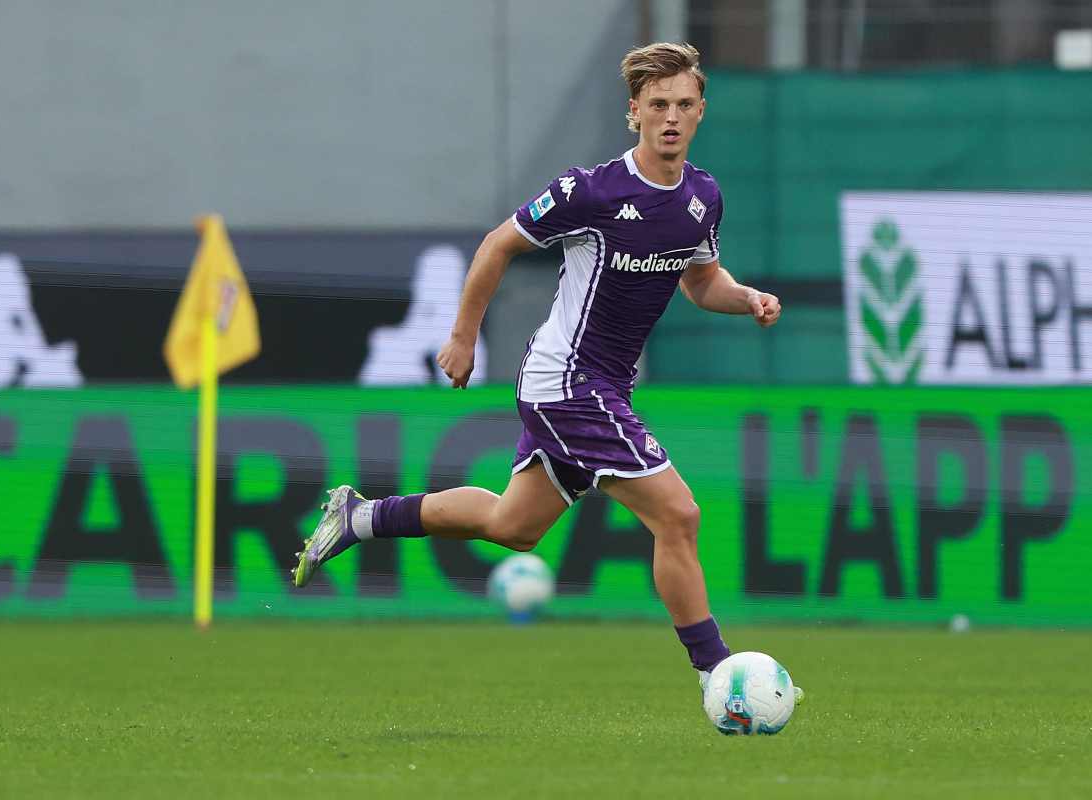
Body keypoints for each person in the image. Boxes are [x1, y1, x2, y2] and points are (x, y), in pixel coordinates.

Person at [293, 42, 782, 690]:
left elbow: (700, 281)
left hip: (606, 387)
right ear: (634, 111)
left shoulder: (702, 196)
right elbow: (498, 244)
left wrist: (745, 298)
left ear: (700, 112)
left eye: (684, 104)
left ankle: (360, 517)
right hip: (567, 380)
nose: (671, 117)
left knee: (513, 526)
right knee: (678, 515)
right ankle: (716, 671)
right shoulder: (590, 191)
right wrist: (463, 337)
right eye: (658, 104)